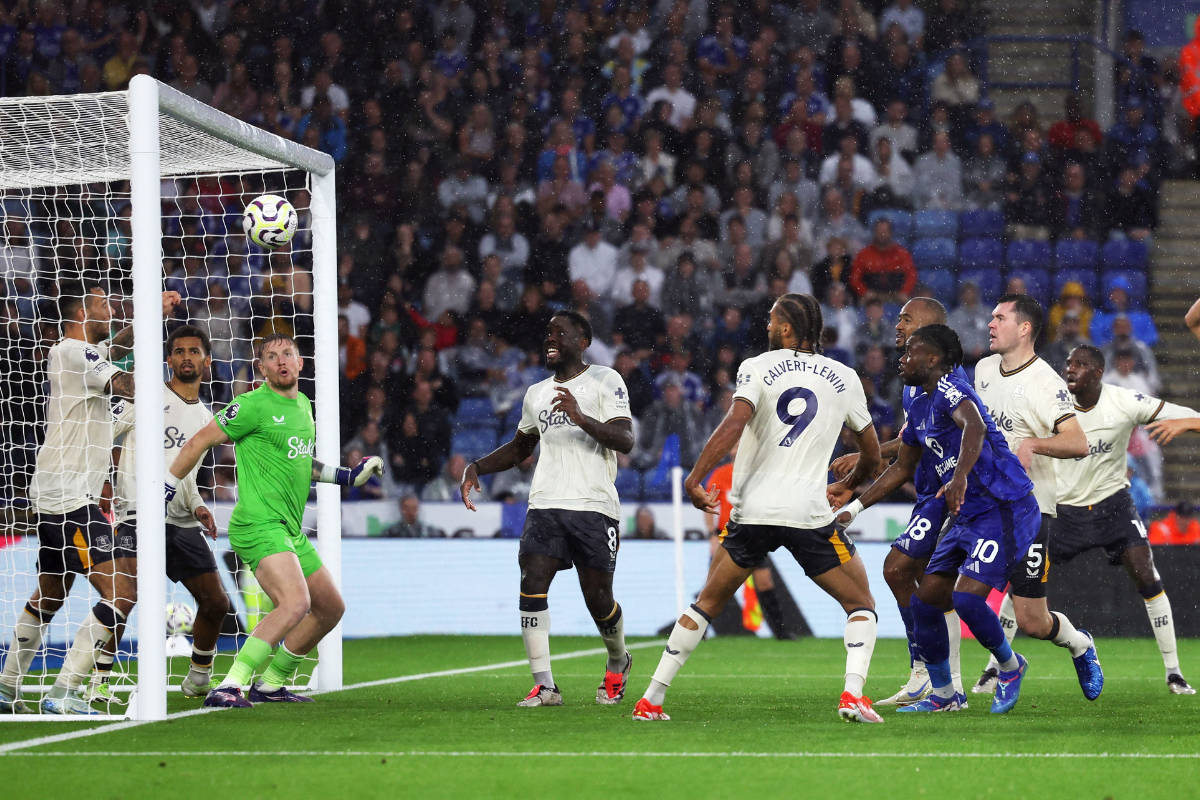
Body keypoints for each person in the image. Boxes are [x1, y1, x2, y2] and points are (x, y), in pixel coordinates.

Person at [633, 293, 886, 724]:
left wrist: (695, 477)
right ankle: (852, 696)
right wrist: (848, 484)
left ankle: (652, 699)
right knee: (861, 603)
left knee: (705, 603)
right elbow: (874, 455)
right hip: (807, 512)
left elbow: (734, 424)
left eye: (772, 320)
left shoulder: (756, 366)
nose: (767, 326)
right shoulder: (845, 378)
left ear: (787, 329)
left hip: (753, 512)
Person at [833, 324, 1060, 714]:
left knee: (966, 600)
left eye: (912, 352)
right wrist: (852, 507)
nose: (902, 357)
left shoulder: (951, 387)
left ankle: (1010, 667)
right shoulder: (918, 404)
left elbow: (975, 425)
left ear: (934, 359)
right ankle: (945, 696)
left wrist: (958, 477)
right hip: (967, 513)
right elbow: (902, 466)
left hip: (1005, 506)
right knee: (925, 605)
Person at [167, 334, 383, 708]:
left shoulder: (302, 405)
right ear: (261, 368)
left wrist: (348, 477)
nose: (281, 361)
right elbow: (198, 442)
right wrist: (167, 488)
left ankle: (271, 683)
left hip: (288, 530)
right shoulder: (250, 405)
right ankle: (230, 684)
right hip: (257, 524)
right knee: (295, 603)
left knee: (331, 607)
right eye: (271, 356)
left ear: (301, 364)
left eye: (288, 354)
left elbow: (302, 464)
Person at [0, 285, 177, 715]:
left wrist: (149, 323)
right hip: (71, 496)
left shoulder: (74, 353)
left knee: (50, 594)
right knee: (123, 592)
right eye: (103, 304)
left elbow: (115, 346)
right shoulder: (77, 354)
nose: (111, 310)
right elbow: (128, 385)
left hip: (57, 491)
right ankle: (64, 693)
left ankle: (5, 690)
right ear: (80, 311)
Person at [460, 311, 635, 708]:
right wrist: (478, 466)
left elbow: (625, 440)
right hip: (545, 504)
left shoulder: (606, 380)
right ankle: (545, 685)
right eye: (547, 333)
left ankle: (617, 660)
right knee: (532, 579)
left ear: (583, 340)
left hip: (593, 504)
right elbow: (522, 447)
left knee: (598, 599)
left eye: (560, 332)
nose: (550, 339)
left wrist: (581, 416)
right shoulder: (536, 393)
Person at [82, 326, 229, 706]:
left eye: (194, 351)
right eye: (179, 351)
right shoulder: (145, 398)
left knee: (216, 603)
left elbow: (188, 471)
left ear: (206, 361)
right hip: (136, 514)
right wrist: (102, 483)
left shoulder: (207, 417)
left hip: (180, 521)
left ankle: (198, 676)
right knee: (124, 597)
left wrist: (197, 504)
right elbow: (100, 434)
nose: (186, 357)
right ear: (169, 359)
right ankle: (96, 681)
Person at [831, 298, 967, 706]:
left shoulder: (951, 385)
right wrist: (868, 462)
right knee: (931, 589)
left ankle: (934, 674)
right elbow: (913, 444)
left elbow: (955, 438)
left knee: (900, 571)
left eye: (906, 319)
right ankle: (940, 679)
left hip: (948, 495)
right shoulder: (915, 384)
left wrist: (868, 464)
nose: (897, 326)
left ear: (930, 328)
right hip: (928, 491)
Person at [969, 295, 1101, 700]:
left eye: (999, 318)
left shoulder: (1045, 382)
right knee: (944, 591)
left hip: (1030, 511)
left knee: (1033, 621)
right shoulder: (983, 369)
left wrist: (1033, 445)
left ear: (1024, 328)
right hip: (982, 506)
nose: (990, 324)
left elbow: (1078, 442)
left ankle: (1080, 644)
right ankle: (947, 686)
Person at [1059, 345, 1197, 694]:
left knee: (1147, 575)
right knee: (1025, 578)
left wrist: (1184, 422)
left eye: (1080, 364)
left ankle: (1174, 672)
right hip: (1065, 507)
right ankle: (994, 670)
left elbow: (1192, 416)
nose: (1070, 369)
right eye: (1068, 363)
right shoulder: (1052, 402)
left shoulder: (1125, 401)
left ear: (1098, 372)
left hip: (1112, 505)